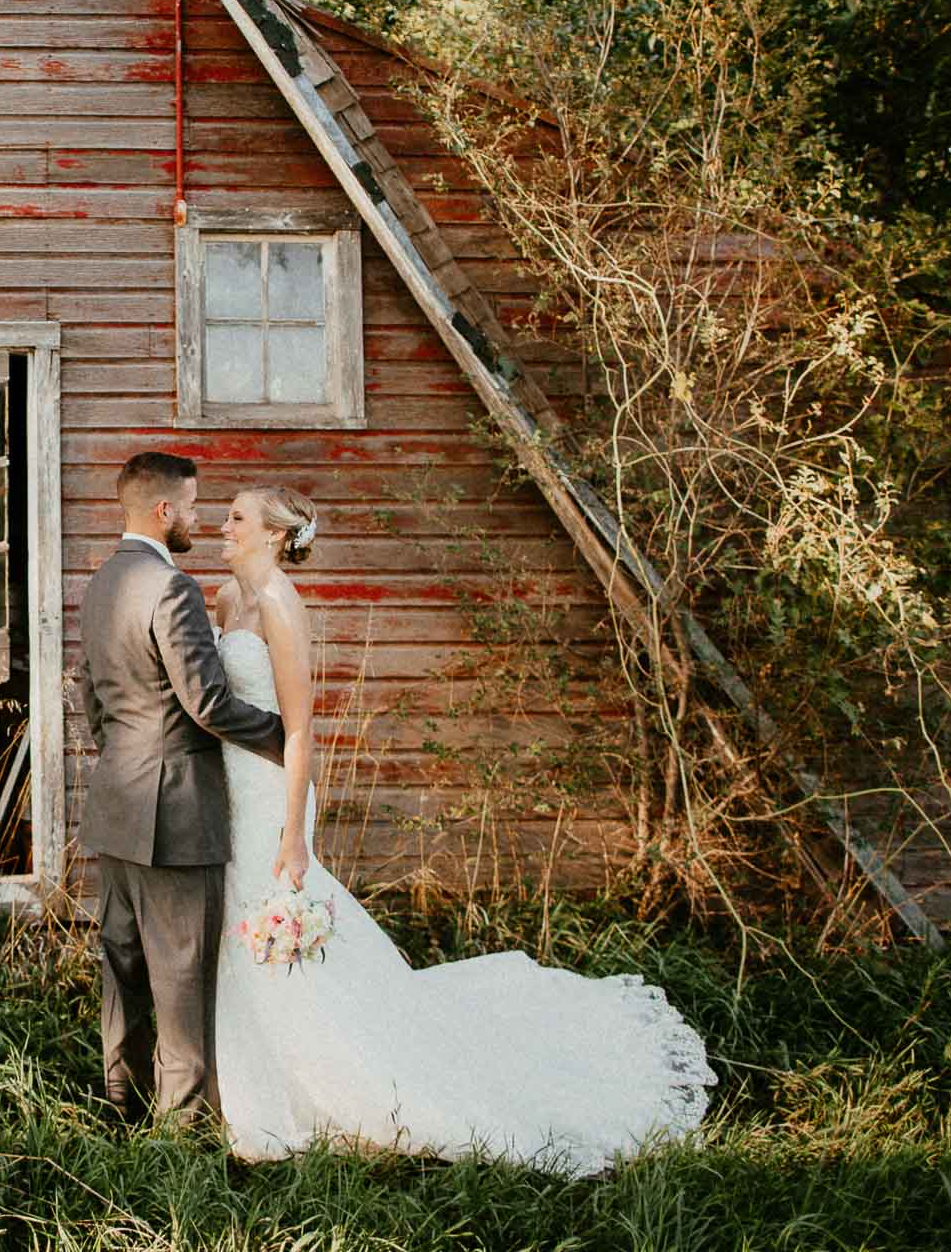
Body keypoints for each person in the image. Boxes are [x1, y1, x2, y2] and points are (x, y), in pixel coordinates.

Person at [206, 485, 716, 1175]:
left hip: (272, 791)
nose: (224, 525)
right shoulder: (227, 600)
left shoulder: (278, 606)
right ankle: (256, 1075)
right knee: (239, 929)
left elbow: (299, 728)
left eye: (237, 517)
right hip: (228, 788)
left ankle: (328, 1080)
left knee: (277, 927)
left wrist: (295, 832)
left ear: (272, 534)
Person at [77, 451, 286, 1122]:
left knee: (125, 968)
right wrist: (286, 739)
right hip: (176, 812)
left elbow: (92, 700)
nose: (200, 519)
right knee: (183, 978)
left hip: (116, 801)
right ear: (165, 512)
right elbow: (208, 704)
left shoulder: (104, 581)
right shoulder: (174, 589)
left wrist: (124, 759)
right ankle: (186, 1129)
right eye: (194, 508)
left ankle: (122, 1105)